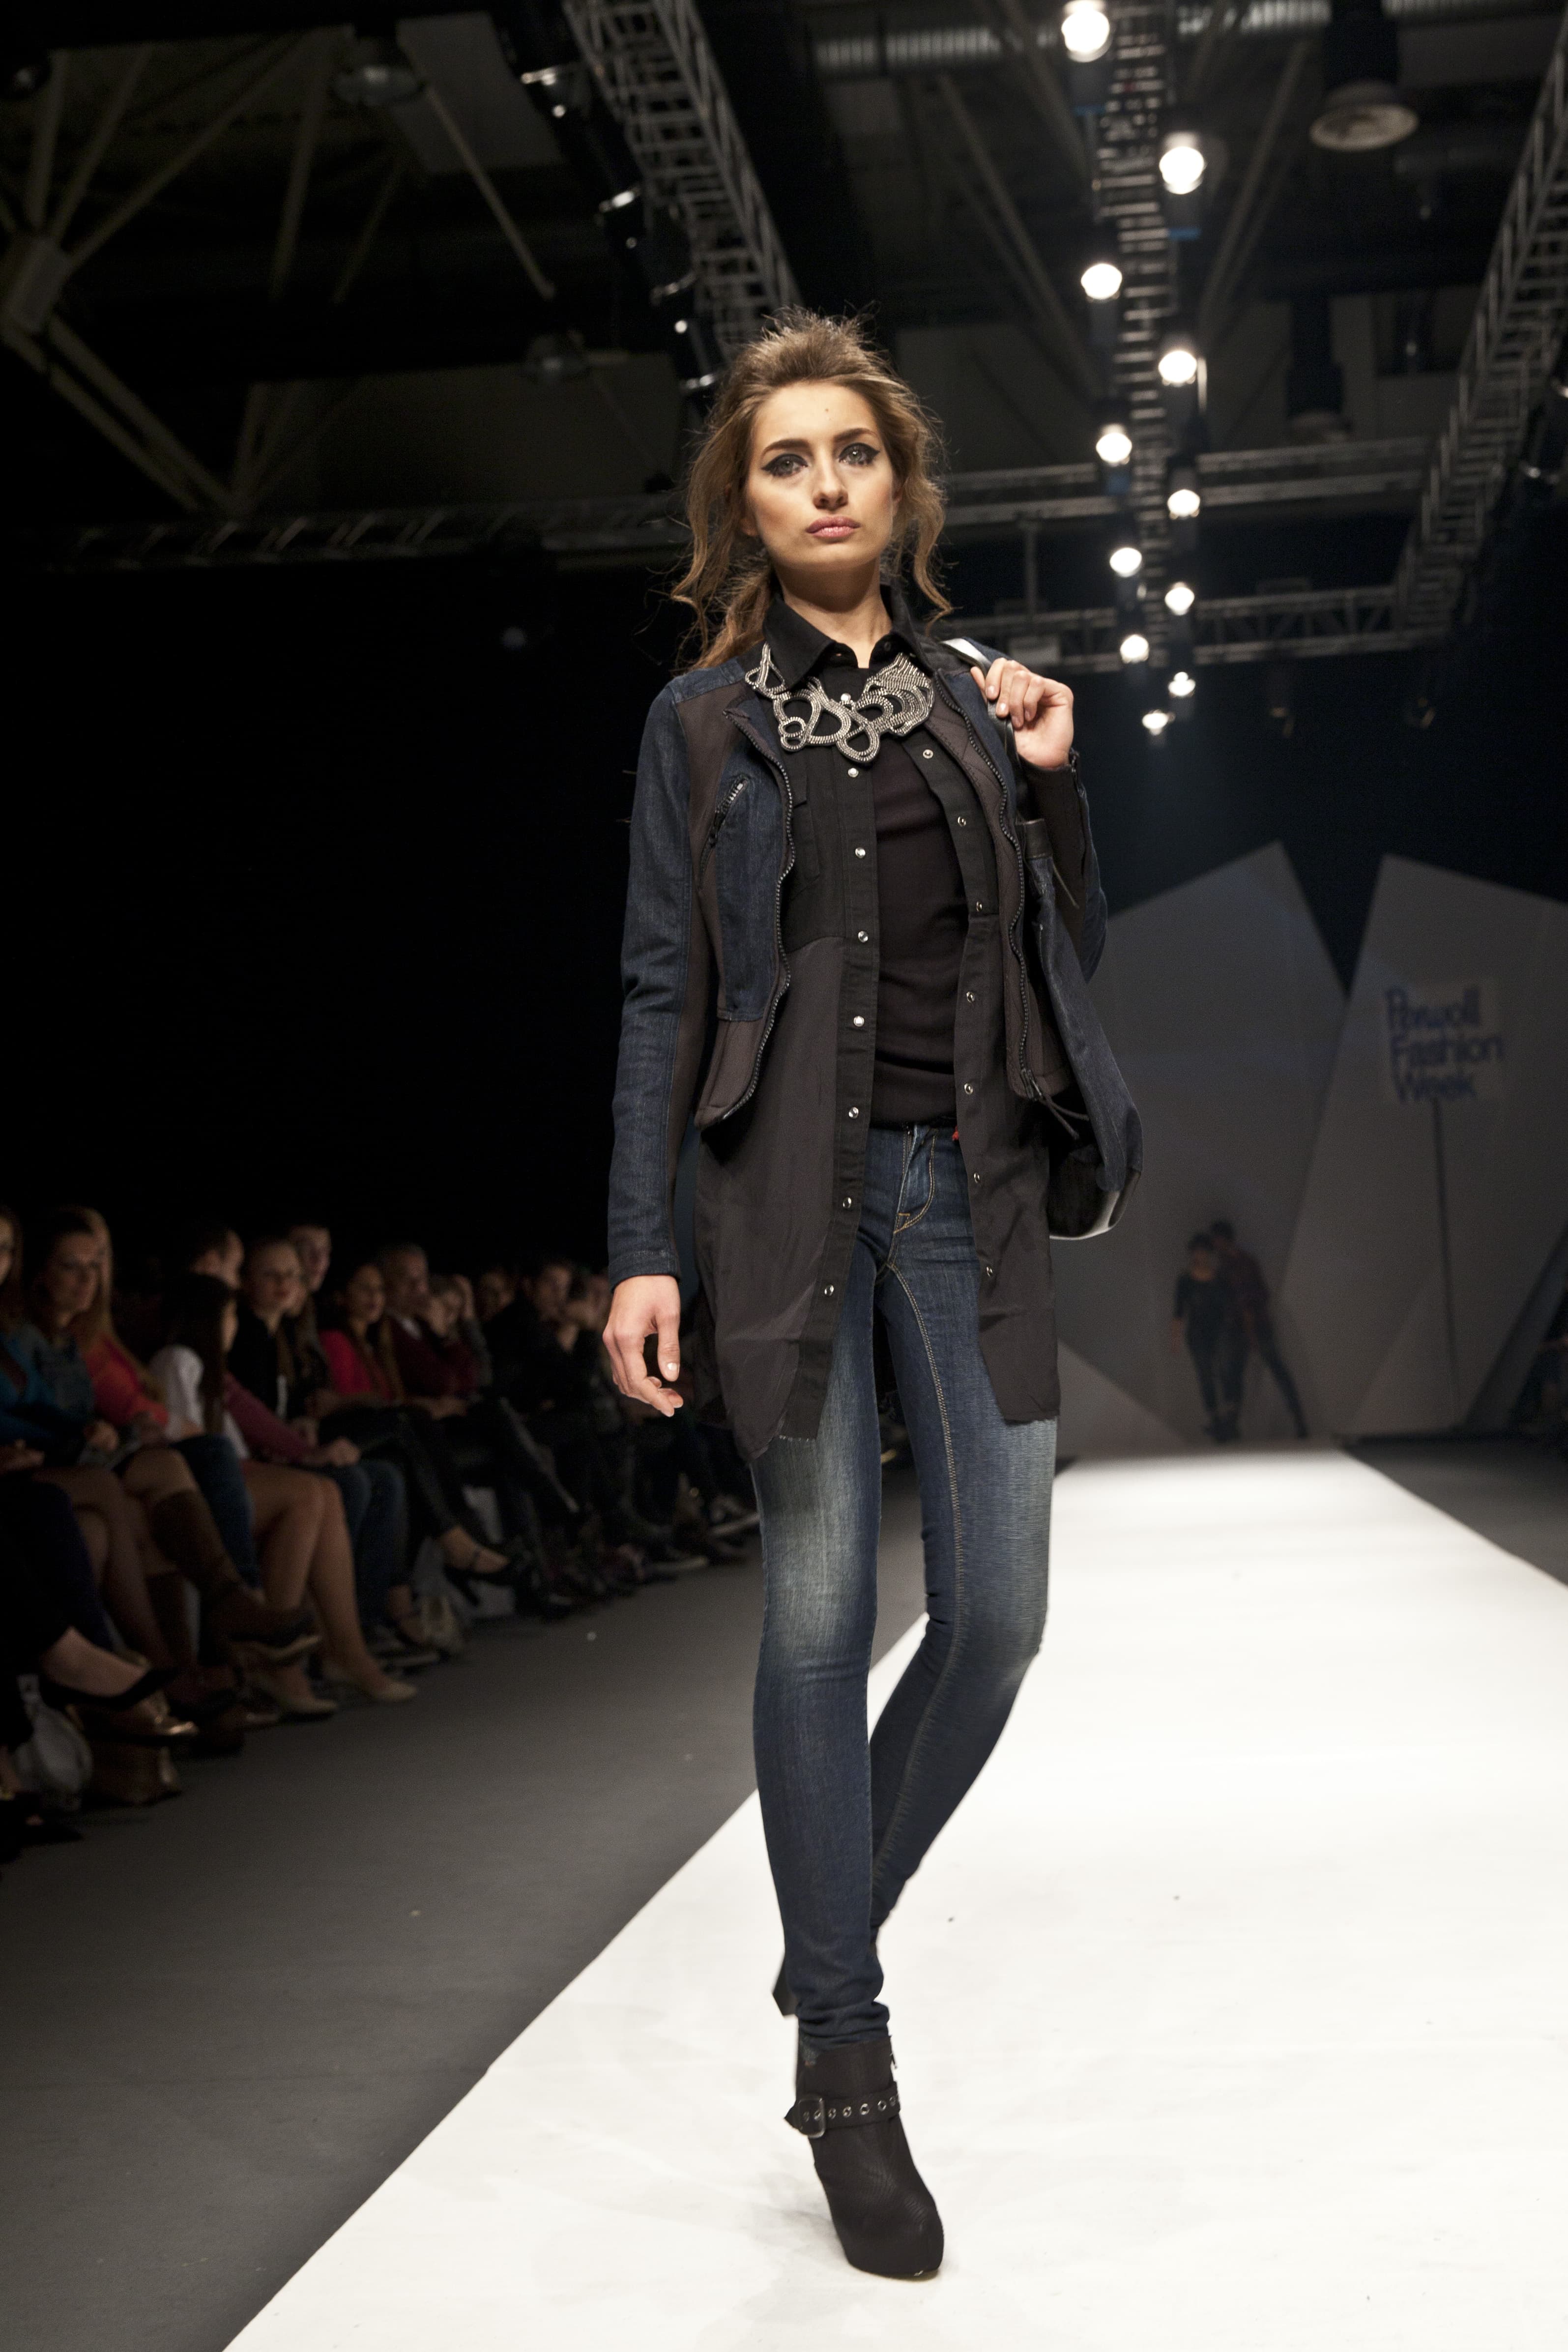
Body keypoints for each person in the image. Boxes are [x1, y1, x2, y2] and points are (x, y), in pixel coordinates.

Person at [602, 312, 1139, 2280]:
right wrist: (637, 1243)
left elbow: (1064, 949)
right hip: (776, 1204)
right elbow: (665, 988)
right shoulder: (699, 724)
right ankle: (846, 2048)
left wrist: (1056, 782)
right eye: (784, 459)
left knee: (995, 1616)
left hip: (967, 1187)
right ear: (741, 505)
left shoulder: (979, 699)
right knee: (819, 1612)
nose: (823, 482)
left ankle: (821, 1933)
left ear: (900, 484)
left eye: (852, 452)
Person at [150, 1272, 415, 1712]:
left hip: (232, 1480)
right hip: (204, 1491)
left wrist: (297, 1454)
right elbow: (197, 1450)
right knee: (310, 1493)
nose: (235, 1325)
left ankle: (336, 1649)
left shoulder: (207, 1369)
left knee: (322, 1493)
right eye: (231, 1315)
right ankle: (290, 1653)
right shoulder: (178, 1361)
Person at [1208, 1219, 1307, 1439]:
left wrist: (1251, 1331)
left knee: (1261, 1372)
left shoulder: (1238, 1265)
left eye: (1216, 1240)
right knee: (1240, 1375)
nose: (1215, 1245)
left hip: (1253, 1327)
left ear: (1223, 1239)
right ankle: (1295, 1420)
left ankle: (1297, 1420)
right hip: (1245, 1328)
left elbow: (1249, 1301)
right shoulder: (1231, 1265)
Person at [1171, 1233, 1246, 1442]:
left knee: (1226, 1372)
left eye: (1204, 1252)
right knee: (1206, 1376)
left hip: (1220, 1332)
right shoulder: (1186, 1281)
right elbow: (1179, 1312)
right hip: (1198, 1334)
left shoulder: (1220, 1279)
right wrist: (1175, 1339)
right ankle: (1215, 1419)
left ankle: (1230, 1417)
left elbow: (1230, 1307)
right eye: (1198, 1252)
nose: (1201, 1256)